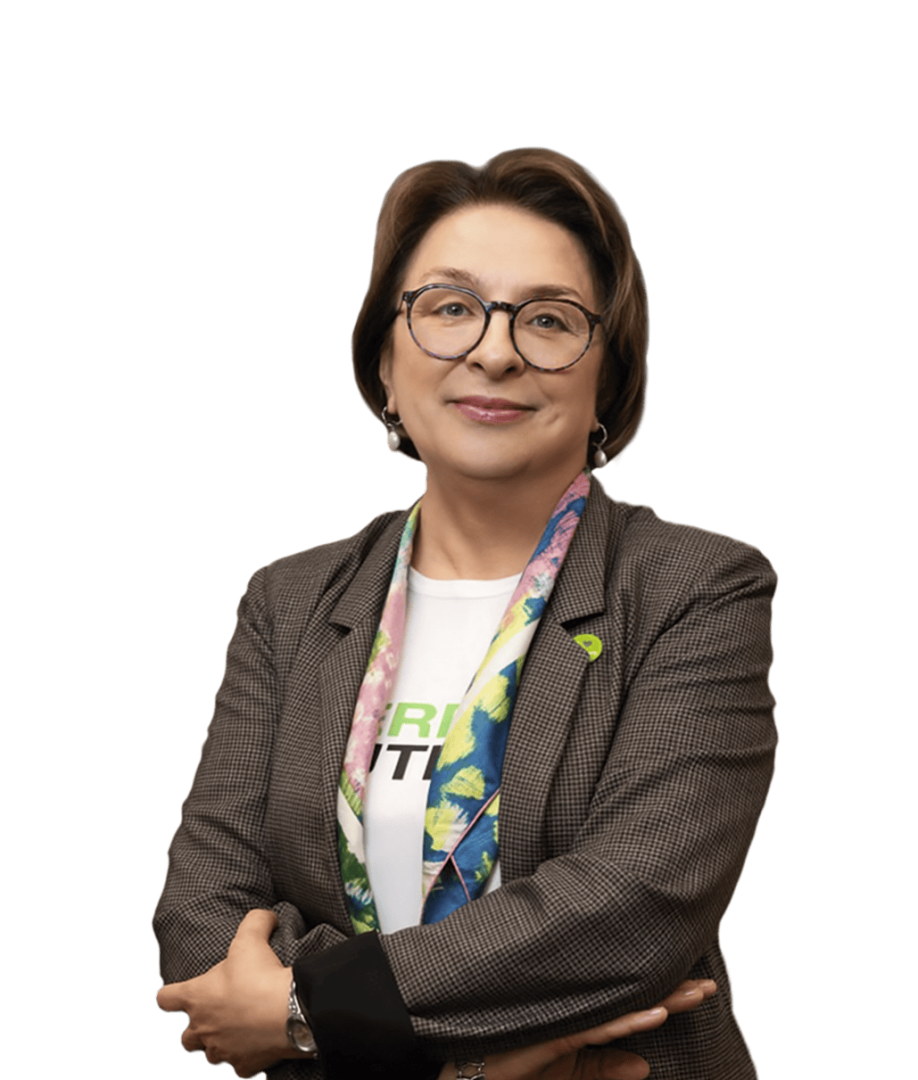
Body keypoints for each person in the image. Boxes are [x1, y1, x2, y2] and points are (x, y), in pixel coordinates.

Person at [153, 147, 778, 1079]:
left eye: (549, 319)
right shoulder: (289, 599)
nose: (494, 350)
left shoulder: (698, 587)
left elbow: (632, 908)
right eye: (450, 308)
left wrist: (305, 1010)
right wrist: (459, 1068)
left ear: (606, 383)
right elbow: (202, 911)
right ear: (385, 363)